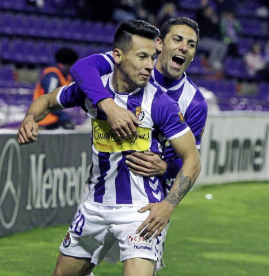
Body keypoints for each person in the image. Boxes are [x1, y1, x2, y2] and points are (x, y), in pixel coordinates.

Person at [17, 20, 201, 276]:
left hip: (140, 211)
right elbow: (47, 101)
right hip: (93, 206)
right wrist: (29, 118)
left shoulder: (160, 103)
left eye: (153, 57)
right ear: (118, 56)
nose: (150, 65)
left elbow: (192, 158)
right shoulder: (93, 91)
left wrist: (168, 205)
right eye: (142, 57)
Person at [69, 17, 207, 194]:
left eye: (191, 44)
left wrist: (166, 168)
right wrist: (109, 106)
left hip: (149, 194)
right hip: (102, 191)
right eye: (177, 39)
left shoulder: (195, 102)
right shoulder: (129, 63)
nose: (184, 48)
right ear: (159, 43)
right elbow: (81, 68)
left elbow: (190, 159)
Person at [33, 47, 78, 129]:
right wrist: (64, 117)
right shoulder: (52, 75)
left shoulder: (65, 75)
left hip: (55, 117)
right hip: (46, 119)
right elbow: (49, 101)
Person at [196, 0, 227, 70]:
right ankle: (211, 63)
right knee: (216, 46)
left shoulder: (211, 20)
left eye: (211, 10)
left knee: (224, 47)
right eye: (209, 10)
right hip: (202, 40)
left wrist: (216, 23)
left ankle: (217, 61)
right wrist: (203, 5)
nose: (210, 11)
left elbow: (217, 32)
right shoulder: (201, 17)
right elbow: (198, 13)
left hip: (210, 40)